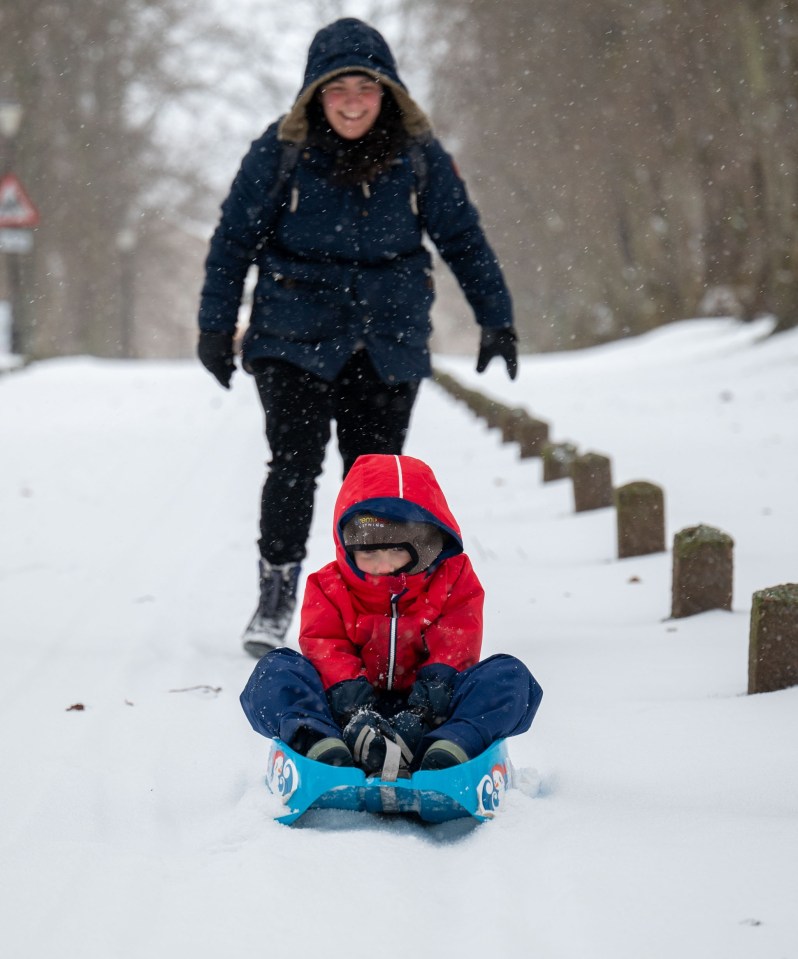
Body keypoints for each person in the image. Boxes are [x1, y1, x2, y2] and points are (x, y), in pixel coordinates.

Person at [198, 18, 519, 658]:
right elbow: (234, 241)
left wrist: (496, 315)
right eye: (336, 87)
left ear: (388, 93)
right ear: (315, 94)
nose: (350, 101)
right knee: (293, 466)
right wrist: (215, 325)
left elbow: (461, 237)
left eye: (364, 88)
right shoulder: (279, 152)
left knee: (373, 481)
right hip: (292, 333)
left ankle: (366, 603)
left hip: (387, 336)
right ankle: (278, 590)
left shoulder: (419, 156)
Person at [240, 454, 542, 776]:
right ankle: (319, 748)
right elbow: (326, 647)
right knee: (273, 672)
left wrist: (425, 711)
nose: (383, 566)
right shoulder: (329, 586)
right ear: (348, 548)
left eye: (398, 550)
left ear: (426, 545)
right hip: (344, 717)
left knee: (509, 676)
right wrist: (354, 712)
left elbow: (455, 643)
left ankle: (452, 749)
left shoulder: (453, 578)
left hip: (432, 716)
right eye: (369, 552)